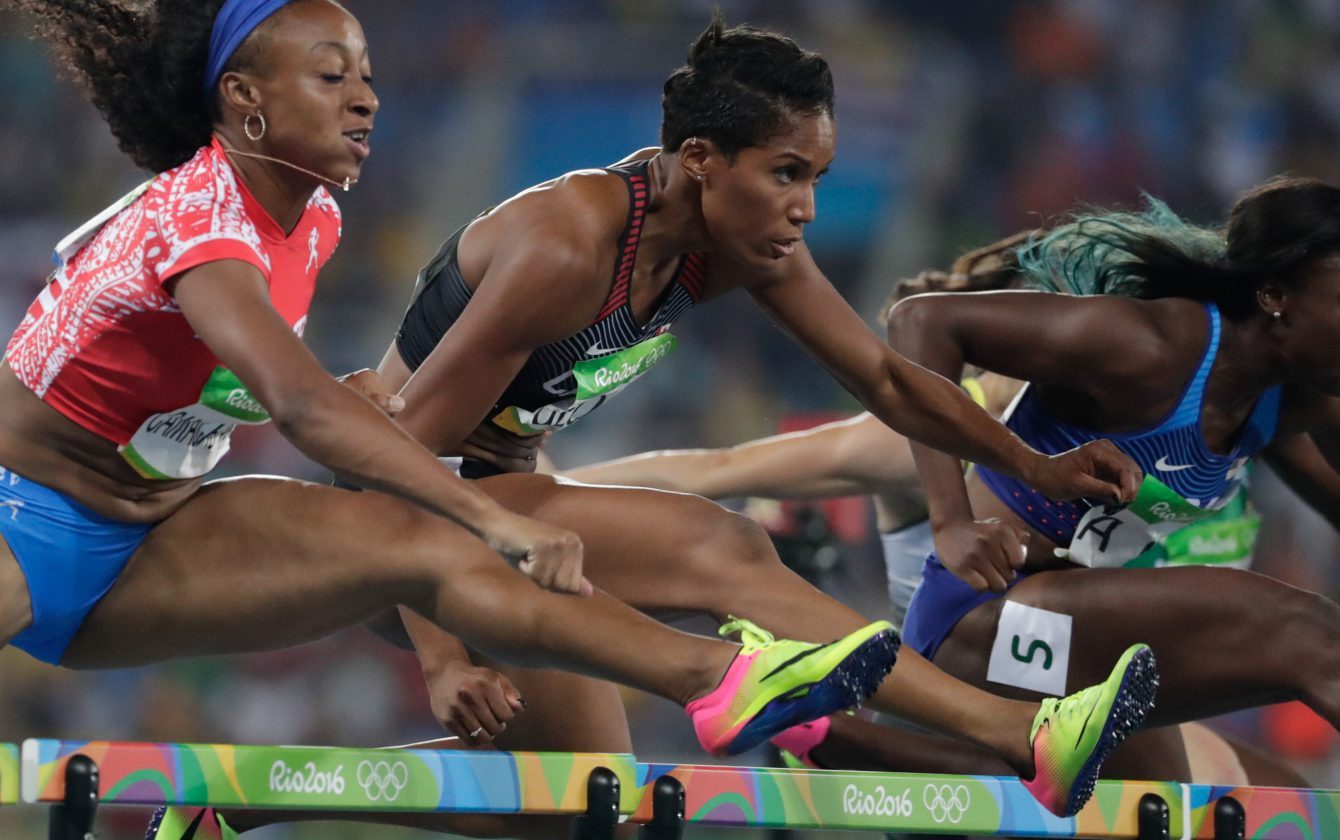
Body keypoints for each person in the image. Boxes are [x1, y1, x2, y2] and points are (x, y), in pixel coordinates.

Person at [0, 3, 906, 838]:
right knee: (457, 533)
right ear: (245, 100)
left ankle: (233, 806)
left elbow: (225, 386)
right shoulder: (200, 213)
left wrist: (396, 447)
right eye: (332, 78)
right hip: (16, 512)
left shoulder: (311, 219)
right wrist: (491, 514)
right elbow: (301, 405)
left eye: (366, 77)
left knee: (567, 790)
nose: (366, 100)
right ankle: (717, 676)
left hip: (146, 534)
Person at [362, 15, 1156, 823]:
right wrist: (441, 662)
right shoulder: (568, 246)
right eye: (786, 174)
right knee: (725, 545)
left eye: (815, 176)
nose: (806, 207)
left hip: (506, 523)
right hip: (401, 531)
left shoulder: (736, 242)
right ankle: (1022, 734)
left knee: (585, 801)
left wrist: (1033, 465)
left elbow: (886, 377)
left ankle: (246, 813)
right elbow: (386, 466)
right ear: (701, 159)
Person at [568, 233, 1311, 788]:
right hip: (958, 676)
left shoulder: (1202, 426)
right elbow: (719, 469)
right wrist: (555, 493)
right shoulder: (929, 425)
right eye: (1038, 327)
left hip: (1088, 668)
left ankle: (845, 737)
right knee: (1202, 786)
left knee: (1276, 793)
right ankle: (843, 738)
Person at [881, 180, 1340, 751]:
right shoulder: (1154, 347)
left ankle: (859, 742)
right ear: (1275, 295)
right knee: (1308, 632)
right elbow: (920, 324)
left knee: (1170, 811)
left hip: (1079, 647)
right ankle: (850, 732)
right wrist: (949, 520)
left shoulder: (1285, 399)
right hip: (979, 622)